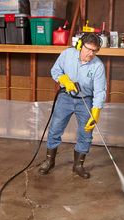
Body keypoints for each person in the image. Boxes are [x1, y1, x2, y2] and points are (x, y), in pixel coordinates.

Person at [39, 33, 107, 179]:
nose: (91, 53)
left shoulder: (98, 66)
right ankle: (49, 161)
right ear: (80, 46)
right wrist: (64, 80)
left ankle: (78, 166)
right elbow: (55, 71)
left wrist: (96, 111)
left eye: (94, 51)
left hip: (85, 100)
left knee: (86, 134)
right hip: (65, 98)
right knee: (55, 128)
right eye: (88, 49)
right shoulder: (67, 54)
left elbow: (100, 91)